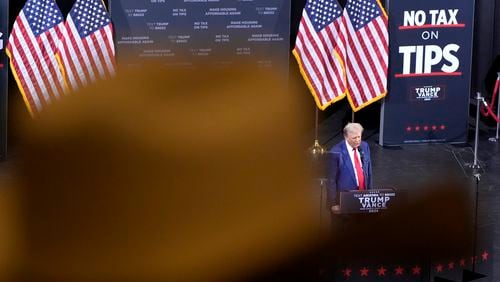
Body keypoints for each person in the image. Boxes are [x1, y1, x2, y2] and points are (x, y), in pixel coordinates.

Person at [328, 123, 372, 210]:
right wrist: (332, 203)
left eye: (359, 136)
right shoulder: (335, 152)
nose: (358, 140)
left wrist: (370, 195)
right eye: (354, 138)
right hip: (344, 200)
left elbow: (369, 171)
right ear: (346, 137)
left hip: (364, 197)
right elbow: (330, 180)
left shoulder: (365, 146)